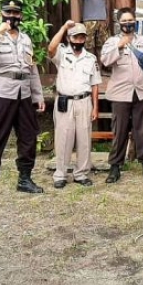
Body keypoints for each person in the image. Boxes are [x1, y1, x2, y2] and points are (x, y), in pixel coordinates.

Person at [0, 0, 46, 200]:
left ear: (21, 16)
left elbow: (32, 69)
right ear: (1, 14)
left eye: (16, 13)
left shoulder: (26, 39)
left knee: (28, 137)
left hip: (23, 93)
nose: (12, 17)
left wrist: (38, 95)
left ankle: (25, 179)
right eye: (8, 13)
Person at [100, 7, 143, 184]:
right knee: (119, 131)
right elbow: (105, 60)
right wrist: (119, 46)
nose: (128, 24)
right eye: (124, 21)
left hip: (141, 92)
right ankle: (115, 166)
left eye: (131, 20)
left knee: (142, 129)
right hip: (120, 94)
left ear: (135, 22)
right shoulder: (112, 41)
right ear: (119, 23)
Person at [47, 21, 102, 189]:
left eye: (82, 37)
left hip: (84, 102)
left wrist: (95, 107)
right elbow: (50, 48)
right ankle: (60, 174)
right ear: (69, 38)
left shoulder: (90, 59)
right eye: (75, 37)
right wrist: (63, 28)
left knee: (84, 138)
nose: (79, 40)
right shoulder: (62, 54)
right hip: (65, 101)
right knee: (63, 138)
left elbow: (95, 84)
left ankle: (81, 173)